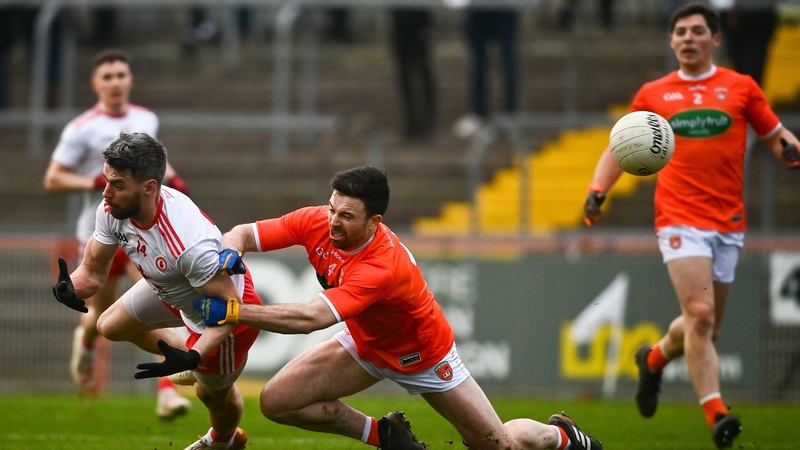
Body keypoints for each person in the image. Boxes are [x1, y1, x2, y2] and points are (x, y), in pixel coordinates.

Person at [191, 166, 603, 450]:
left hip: (424, 355)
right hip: (366, 344)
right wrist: (231, 252)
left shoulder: (382, 265)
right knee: (277, 402)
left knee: (499, 445)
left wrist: (233, 312)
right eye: (332, 208)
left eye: (346, 216)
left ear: (375, 220)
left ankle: (560, 436)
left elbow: (311, 318)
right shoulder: (317, 220)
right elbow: (243, 231)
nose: (332, 221)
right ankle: (385, 436)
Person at [583, 4, 800, 449]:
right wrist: (597, 189)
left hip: (729, 222)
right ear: (671, 41)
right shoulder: (654, 93)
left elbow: (777, 137)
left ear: (715, 39)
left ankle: (655, 358)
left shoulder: (740, 88)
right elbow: (619, 144)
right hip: (679, 218)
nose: (687, 38)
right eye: (679, 31)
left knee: (707, 328)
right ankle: (716, 414)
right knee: (700, 316)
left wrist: (792, 151)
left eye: (697, 31)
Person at [51, 132, 263, 450]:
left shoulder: (188, 243)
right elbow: (93, 273)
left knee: (211, 394)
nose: (105, 193)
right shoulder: (111, 209)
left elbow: (235, 309)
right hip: (171, 290)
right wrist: (72, 288)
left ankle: (224, 441)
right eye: (106, 180)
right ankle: (190, 364)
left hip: (222, 317)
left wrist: (195, 354)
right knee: (109, 324)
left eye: (118, 184)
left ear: (149, 187)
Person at [43, 49, 193, 418]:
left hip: (142, 229)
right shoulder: (81, 128)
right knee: (101, 315)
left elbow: (151, 159)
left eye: (120, 75)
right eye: (107, 77)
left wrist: (171, 178)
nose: (115, 82)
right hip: (103, 231)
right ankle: (87, 339)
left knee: (158, 300)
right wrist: (94, 180)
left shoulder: (146, 118)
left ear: (130, 80)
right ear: (96, 84)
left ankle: (167, 394)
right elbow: (53, 178)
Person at [453, 8, 519, 140]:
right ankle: (477, 114)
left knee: (508, 63)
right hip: (477, 10)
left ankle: (511, 114)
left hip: (504, 10)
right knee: (477, 64)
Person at [390, 7, 437, 140]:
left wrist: (427, 24)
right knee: (405, 74)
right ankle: (411, 118)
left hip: (419, 21)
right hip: (400, 22)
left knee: (424, 71)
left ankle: (429, 117)